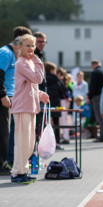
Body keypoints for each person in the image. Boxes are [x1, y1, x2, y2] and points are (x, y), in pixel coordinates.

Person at [10, 34, 49, 184]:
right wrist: (38, 61)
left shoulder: (29, 62)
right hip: (22, 107)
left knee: (29, 142)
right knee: (22, 141)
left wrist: (40, 94)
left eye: (32, 46)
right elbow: (38, 79)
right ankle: (17, 172)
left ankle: (23, 170)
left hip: (30, 106)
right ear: (20, 47)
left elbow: (30, 86)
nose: (31, 49)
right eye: (27, 45)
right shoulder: (23, 63)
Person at [0, 26, 32, 175]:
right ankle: (3, 163)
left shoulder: (15, 54)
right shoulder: (6, 54)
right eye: (26, 43)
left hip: (13, 97)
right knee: (4, 131)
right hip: (4, 97)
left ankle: (9, 160)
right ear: (18, 38)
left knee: (11, 131)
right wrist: (3, 95)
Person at [44, 61, 66, 150]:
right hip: (55, 103)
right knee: (56, 124)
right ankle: (57, 142)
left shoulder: (42, 77)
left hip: (45, 102)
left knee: (44, 123)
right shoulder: (56, 78)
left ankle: (45, 143)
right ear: (51, 69)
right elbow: (63, 89)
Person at [88, 60, 103, 142]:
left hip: (97, 96)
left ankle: (102, 135)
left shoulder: (95, 72)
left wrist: (89, 96)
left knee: (99, 116)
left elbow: (92, 86)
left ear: (93, 65)